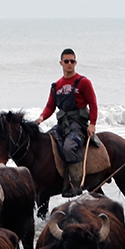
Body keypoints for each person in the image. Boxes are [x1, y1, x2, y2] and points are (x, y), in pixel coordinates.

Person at [35, 48, 99, 197]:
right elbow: (50, 106)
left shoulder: (83, 82)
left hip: (78, 124)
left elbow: (93, 104)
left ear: (75, 63)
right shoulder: (56, 85)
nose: (69, 64)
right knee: (45, 143)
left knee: (69, 147)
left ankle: (75, 184)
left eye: (72, 61)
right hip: (62, 124)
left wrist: (92, 124)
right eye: (66, 61)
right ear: (61, 63)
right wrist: (41, 117)